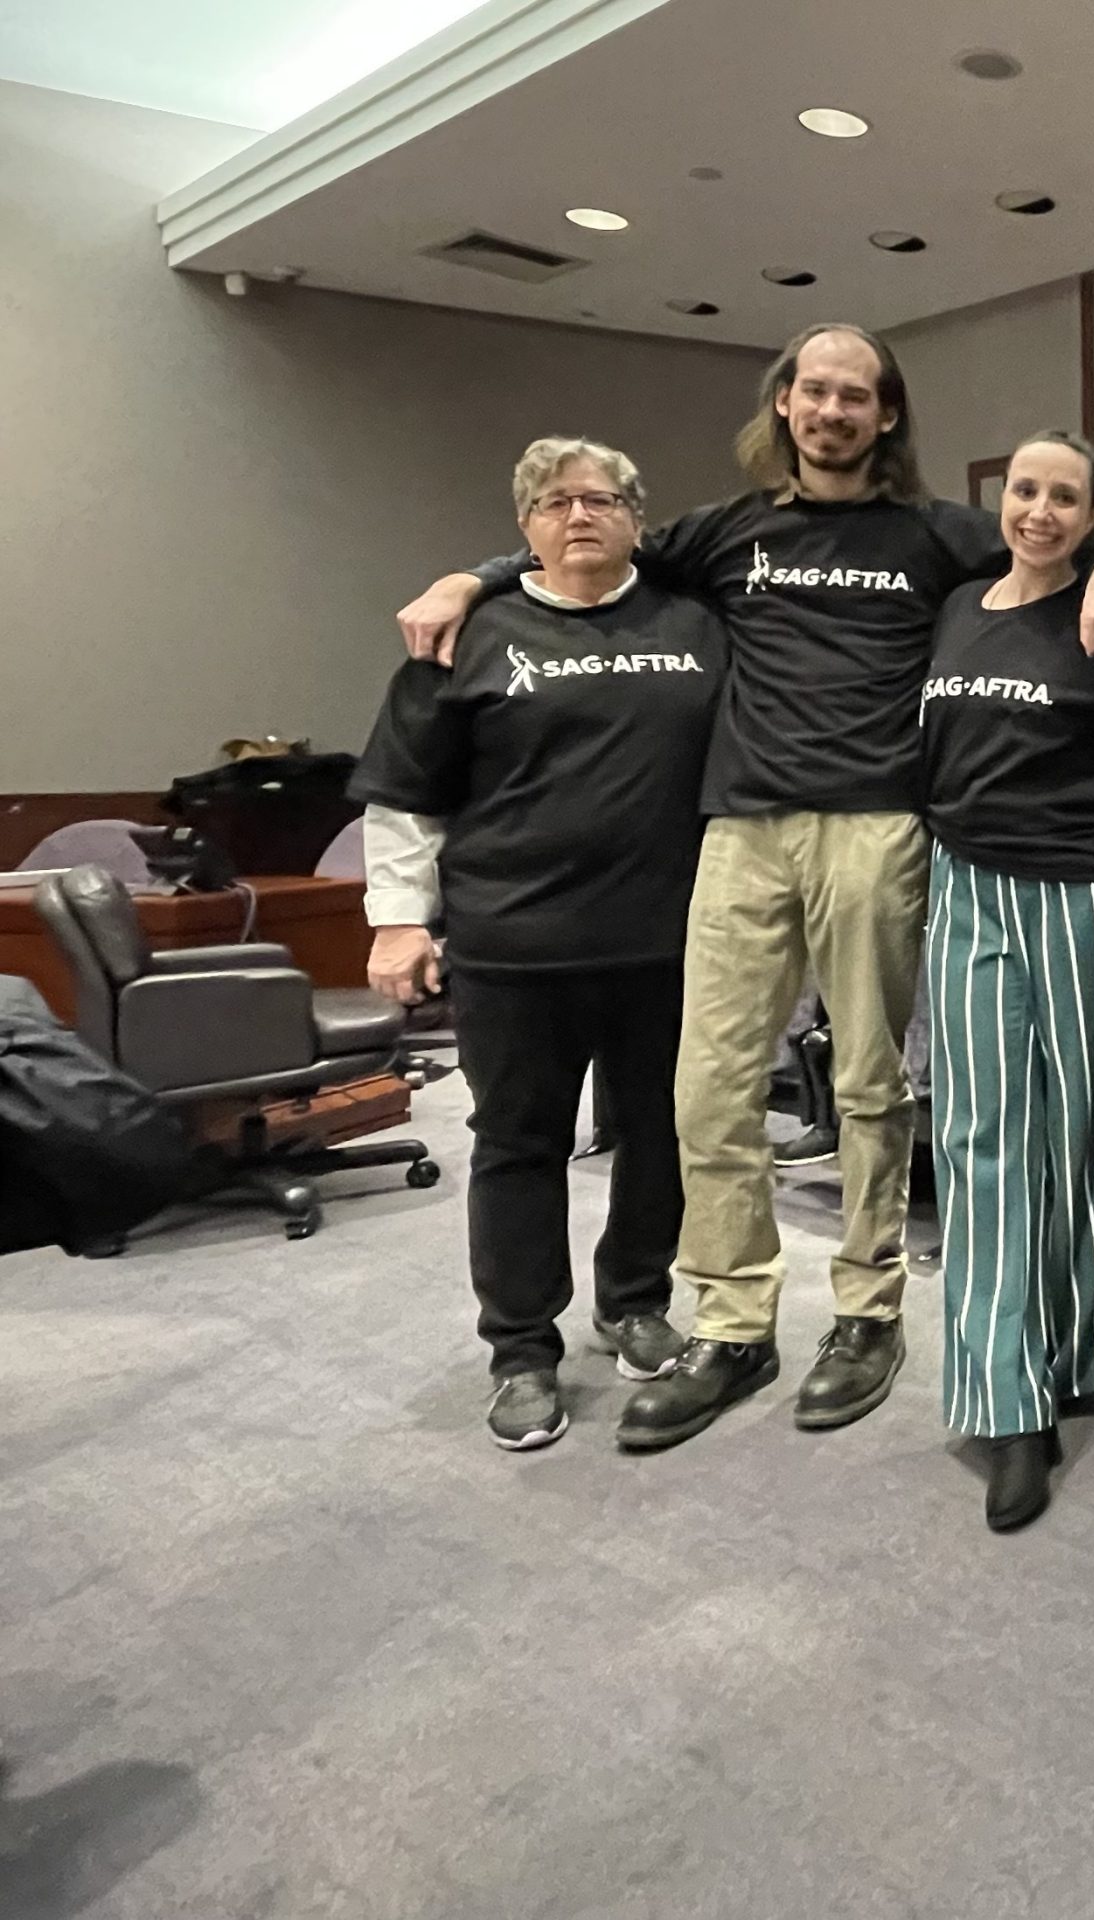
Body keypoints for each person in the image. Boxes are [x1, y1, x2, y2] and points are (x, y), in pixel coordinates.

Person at [392, 326, 1094, 1452]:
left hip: (876, 824)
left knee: (871, 1086)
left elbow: (1060, 539)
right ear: (784, 403)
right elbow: (595, 546)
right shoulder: (726, 532)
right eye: (815, 391)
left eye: (856, 395)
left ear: (886, 415)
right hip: (741, 831)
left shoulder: (938, 534)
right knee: (707, 1090)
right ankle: (735, 1321)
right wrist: (474, 575)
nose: (834, 410)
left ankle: (866, 1312)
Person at [354, 438, 723, 1448]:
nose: (579, 515)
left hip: (665, 942)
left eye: (600, 499)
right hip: (513, 946)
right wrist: (397, 919)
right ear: (525, 527)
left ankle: (635, 1302)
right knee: (519, 1145)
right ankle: (520, 1349)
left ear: (636, 517)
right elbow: (405, 792)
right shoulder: (467, 633)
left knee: (659, 1135)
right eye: (555, 502)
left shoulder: (696, 620)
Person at [920, 430, 1094, 1530]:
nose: (1040, 511)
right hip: (965, 883)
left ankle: (1076, 1355)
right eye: (1025, 489)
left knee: (1080, 1131)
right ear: (1002, 497)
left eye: (1065, 497)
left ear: (1091, 513)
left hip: (1079, 891)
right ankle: (1006, 1402)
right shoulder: (958, 608)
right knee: (979, 1136)